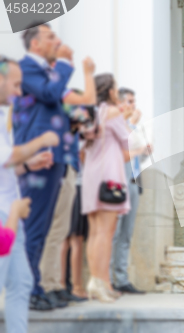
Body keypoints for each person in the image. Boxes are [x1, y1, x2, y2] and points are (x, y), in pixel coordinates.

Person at [12, 23, 74, 310]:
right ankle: (30, 288)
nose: (57, 41)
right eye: (51, 37)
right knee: (35, 227)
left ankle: (35, 284)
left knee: (44, 227)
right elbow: (49, 96)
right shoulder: (26, 67)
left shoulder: (45, 72)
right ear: (35, 43)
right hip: (37, 158)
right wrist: (64, 64)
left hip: (53, 159)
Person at [0, 56, 59, 333]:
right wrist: (42, 141)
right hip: (5, 215)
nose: (18, 91)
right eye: (14, 84)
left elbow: (6, 164)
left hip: (13, 211)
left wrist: (28, 165)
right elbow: (9, 155)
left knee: (21, 282)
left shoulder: (3, 116)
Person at [39, 57, 96, 306]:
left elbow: (84, 115)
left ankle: (55, 284)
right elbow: (87, 102)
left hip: (68, 166)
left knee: (60, 231)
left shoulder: (62, 106)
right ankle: (47, 285)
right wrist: (87, 73)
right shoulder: (50, 98)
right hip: (55, 167)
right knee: (54, 232)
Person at [81, 73, 132, 302]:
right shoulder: (113, 113)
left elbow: (81, 149)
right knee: (105, 233)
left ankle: (97, 281)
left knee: (94, 233)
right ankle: (99, 283)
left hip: (91, 176)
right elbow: (129, 143)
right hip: (110, 178)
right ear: (110, 91)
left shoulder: (89, 114)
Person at [110, 87, 145, 293]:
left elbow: (134, 155)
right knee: (112, 234)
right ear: (121, 103)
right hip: (116, 185)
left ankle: (121, 279)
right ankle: (105, 280)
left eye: (134, 101)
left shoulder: (132, 127)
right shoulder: (116, 126)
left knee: (126, 234)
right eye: (130, 101)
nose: (134, 105)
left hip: (133, 183)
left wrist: (144, 152)